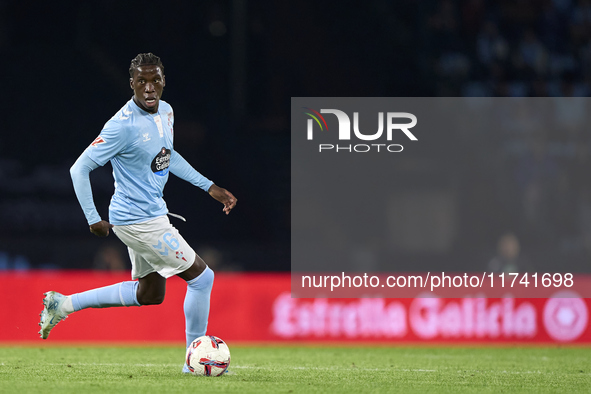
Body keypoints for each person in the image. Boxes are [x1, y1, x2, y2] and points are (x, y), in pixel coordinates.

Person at [38, 53, 237, 374]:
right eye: (141, 81)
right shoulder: (121, 125)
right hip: (138, 220)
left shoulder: (167, 112)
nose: (148, 87)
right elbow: (79, 169)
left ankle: (62, 304)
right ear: (131, 84)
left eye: (154, 80)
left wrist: (208, 186)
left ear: (163, 81)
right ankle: (194, 363)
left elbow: (167, 156)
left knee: (150, 294)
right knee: (202, 278)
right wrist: (93, 218)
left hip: (150, 215)